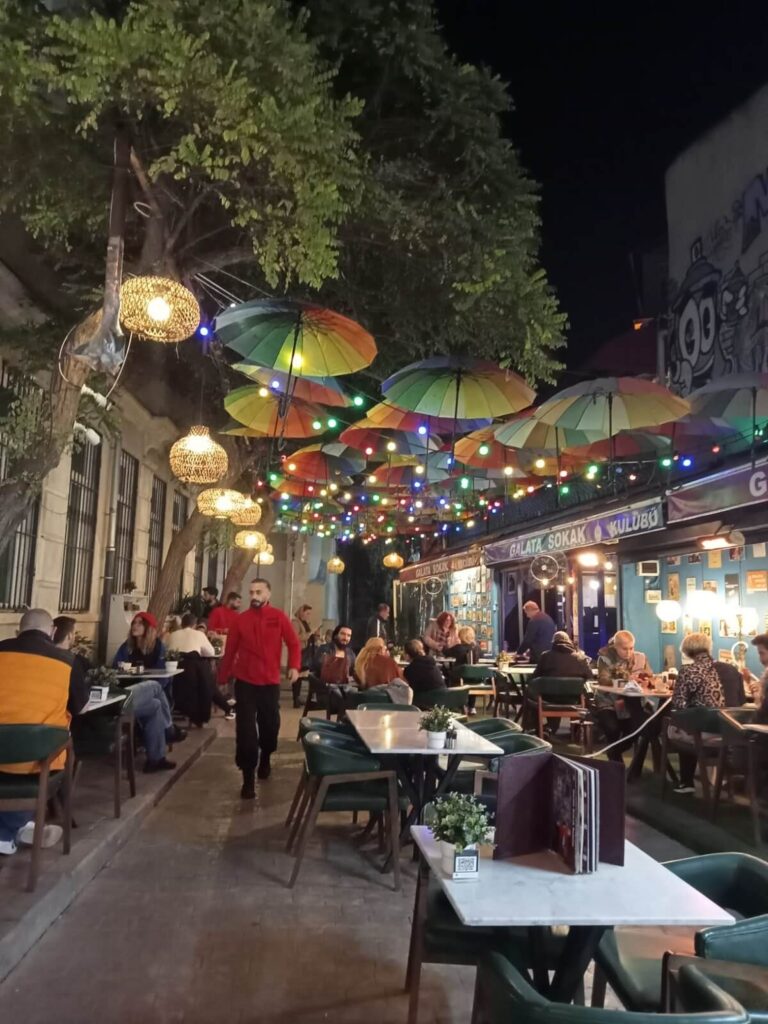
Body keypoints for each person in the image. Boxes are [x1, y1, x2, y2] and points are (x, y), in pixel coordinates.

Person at [0, 609, 89, 857]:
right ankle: (8, 831)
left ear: (18, 631)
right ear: (52, 632)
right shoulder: (67, 661)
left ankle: (18, 825)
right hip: (38, 761)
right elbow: (80, 708)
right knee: (55, 752)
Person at [219, 578, 300, 798]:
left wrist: (294, 666)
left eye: (258, 592)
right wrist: (223, 676)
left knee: (270, 726)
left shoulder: (279, 617)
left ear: (268, 594)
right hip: (245, 682)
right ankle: (248, 779)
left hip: (270, 683)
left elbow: (293, 643)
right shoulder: (240, 620)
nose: (254, 596)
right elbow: (230, 650)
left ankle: (266, 756)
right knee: (245, 731)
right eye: (251, 592)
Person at [669, 632, 725, 794]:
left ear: (687, 651)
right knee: (691, 721)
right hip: (729, 731)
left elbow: (679, 705)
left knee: (680, 724)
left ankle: (686, 781)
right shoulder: (730, 670)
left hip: (702, 733)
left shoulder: (688, 671)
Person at [595, 630, 653, 763]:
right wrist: (627, 679)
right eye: (625, 649)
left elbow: (650, 677)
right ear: (615, 646)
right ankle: (616, 763)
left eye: (631, 648)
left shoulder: (641, 658)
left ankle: (613, 753)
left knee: (639, 727)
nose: (629, 652)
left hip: (633, 703)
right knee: (612, 728)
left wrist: (647, 682)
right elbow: (604, 680)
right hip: (608, 702)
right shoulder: (605, 658)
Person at [446, 626, 484, 714]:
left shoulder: (458, 648)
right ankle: (472, 706)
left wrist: (449, 642)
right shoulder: (477, 648)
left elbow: (446, 652)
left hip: (460, 678)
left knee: (449, 675)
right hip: (476, 679)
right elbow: (482, 658)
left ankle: (459, 704)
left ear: (461, 636)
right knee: (472, 676)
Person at [291, 604, 317, 708]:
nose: (308, 616)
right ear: (301, 612)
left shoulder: (305, 623)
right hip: (299, 652)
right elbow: (295, 637)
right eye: (307, 613)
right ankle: (295, 699)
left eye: (310, 614)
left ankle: (299, 698)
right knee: (297, 677)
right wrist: (309, 634)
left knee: (303, 676)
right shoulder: (295, 622)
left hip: (307, 652)